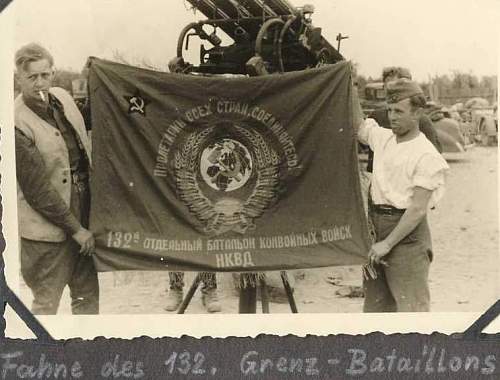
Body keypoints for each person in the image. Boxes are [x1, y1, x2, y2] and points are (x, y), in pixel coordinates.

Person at [14, 43, 99, 314]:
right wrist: (77, 230)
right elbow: (38, 191)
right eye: (32, 77)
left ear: (52, 73)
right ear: (19, 78)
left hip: (82, 210)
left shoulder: (61, 97)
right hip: (48, 230)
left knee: (87, 299)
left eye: (45, 75)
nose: (41, 83)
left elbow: (88, 118)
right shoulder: (16, 122)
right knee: (47, 304)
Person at [355, 78, 449, 312]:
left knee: (411, 312)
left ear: (417, 113)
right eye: (389, 110)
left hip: (406, 237)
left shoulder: (426, 155)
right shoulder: (384, 138)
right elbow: (359, 124)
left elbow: (417, 209)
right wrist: (346, 83)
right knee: (375, 311)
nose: (392, 116)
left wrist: (387, 244)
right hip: (376, 231)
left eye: (399, 111)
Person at [366, 67, 441, 172]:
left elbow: (433, 159)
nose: (392, 92)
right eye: (388, 87)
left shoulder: (421, 121)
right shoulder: (376, 117)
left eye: (397, 87)